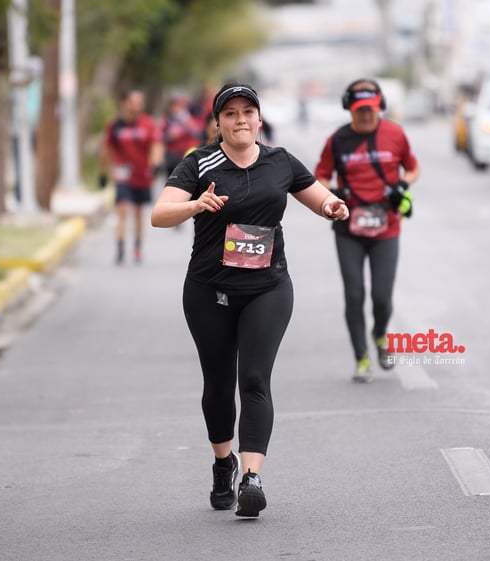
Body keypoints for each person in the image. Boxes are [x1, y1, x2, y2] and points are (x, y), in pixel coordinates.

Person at [151, 82, 349, 518]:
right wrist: (195, 206)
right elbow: (159, 215)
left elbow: (317, 197)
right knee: (218, 385)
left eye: (248, 112)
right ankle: (224, 462)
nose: (240, 119)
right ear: (218, 123)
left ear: (259, 119)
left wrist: (334, 206)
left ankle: (251, 476)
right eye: (230, 113)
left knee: (255, 380)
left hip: (267, 287)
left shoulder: (279, 161)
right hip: (209, 291)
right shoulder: (198, 163)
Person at [314, 78, 420, 383]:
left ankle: (380, 334)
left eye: (371, 110)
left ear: (380, 107)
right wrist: (332, 193)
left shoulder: (395, 134)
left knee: (382, 296)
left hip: (387, 226)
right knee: (354, 295)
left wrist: (404, 184)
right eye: (360, 110)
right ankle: (361, 357)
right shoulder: (337, 140)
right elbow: (319, 176)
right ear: (349, 109)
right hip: (349, 228)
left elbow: (413, 168)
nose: (365, 116)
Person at [98, 89, 164, 264]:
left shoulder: (147, 123)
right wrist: (102, 172)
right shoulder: (115, 125)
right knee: (122, 208)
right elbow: (107, 149)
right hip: (123, 175)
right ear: (125, 103)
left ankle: (137, 246)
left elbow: (156, 145)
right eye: (133, 102)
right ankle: (120, 247)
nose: (137, 106)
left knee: (138, 212)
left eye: (139, 102)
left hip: (142, 175)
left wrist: (156, 164)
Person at [162, 93, 202, 177]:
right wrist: (169, 135)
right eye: (174, 106)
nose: (176, 109)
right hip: (171, 156)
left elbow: (198, 133)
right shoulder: (168, 120)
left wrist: (187, 124)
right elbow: (161, 136)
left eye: (179, 106)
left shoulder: (188, 119)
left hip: (186, 155)